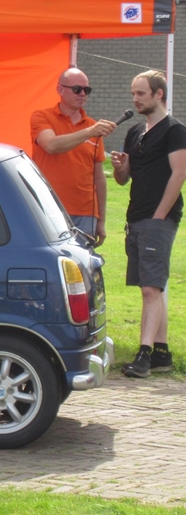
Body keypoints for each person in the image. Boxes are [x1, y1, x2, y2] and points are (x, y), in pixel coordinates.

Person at [111, 70, 186, 378]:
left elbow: (179, 173)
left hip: (158, 219)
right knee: (150, 286)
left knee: (150, 289)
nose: (135, 99)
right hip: (136, 216)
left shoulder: (175, 130)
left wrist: (159, 215)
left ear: (159, 94)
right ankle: (161, 353)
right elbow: (123, 179)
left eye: (141, 93)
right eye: (133, 93)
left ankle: (143, 355)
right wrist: (120, 166)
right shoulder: (134, 132)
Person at [30, 67, 116, 246]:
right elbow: (51, 145)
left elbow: (99, 177)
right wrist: (89, 132)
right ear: (60, 90)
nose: (83, 94)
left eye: (87, 90)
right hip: (49, 208)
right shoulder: (42, 117)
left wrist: (101, 220)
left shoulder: (92, 126)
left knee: (84, 261)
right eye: (77, 89)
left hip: (85, 213)